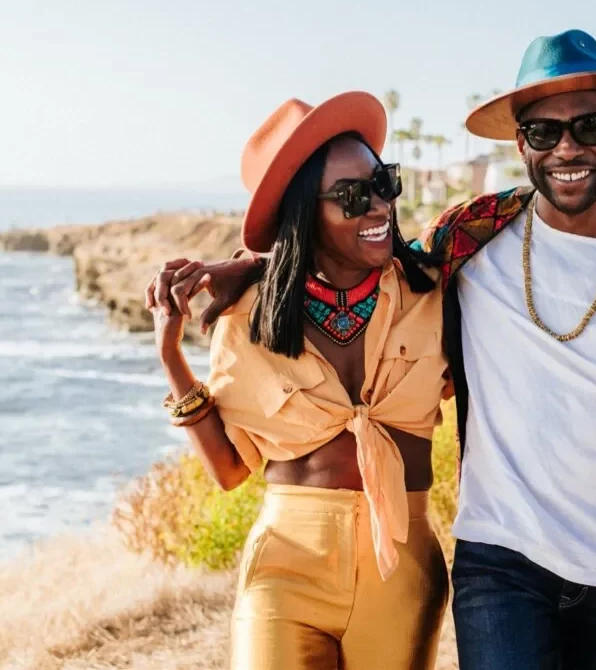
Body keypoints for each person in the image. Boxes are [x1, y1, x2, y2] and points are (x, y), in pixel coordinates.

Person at [153, 30, 596, 670]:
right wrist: (249, 268)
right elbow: (352, 259)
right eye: (544, 133)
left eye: (589, 126)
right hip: (499, 563)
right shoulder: (473, 237)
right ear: (521, 144)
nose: (568, 149)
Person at [148, 91, 450, 670]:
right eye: (352, 196)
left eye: (383, 182)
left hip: (403, 565)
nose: (379, 205)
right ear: (304, 213)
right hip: (285, 562)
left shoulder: (435, 293)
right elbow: (232, 469)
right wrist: (170, 356)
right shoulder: (246, 316)